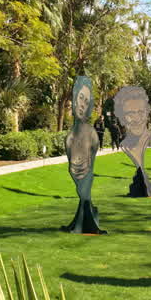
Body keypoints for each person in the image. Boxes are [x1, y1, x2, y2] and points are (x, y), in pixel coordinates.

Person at [64, 76, 105, 233]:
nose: (82, 104)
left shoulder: (92, 134)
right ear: (75, 100)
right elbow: (71, 165)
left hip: (87, 179)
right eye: (80, 98)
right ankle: (88, 211)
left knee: (85, 195)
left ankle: (87, 213)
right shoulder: (70, 137)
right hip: (81, 180)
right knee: (84, 195)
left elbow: (92, 160)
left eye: (86, 101)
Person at [114, 86, 151, 196]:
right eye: (130, 113)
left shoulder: (148, 137)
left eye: (140, 112)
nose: (136, 118)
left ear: (147, 112)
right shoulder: (125, 145)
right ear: (122, 117)